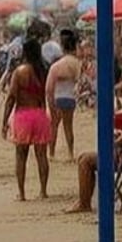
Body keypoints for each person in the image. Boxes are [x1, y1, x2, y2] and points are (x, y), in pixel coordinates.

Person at [0, 37, 51, 200]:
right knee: (41, 155)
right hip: (40, 114)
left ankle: (22, 194)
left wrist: (4, 122)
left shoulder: (20, 72)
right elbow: (46, 96)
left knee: (21, 156)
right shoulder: (43, 72)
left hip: (23, 116)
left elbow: (11, 99)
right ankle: (43, 191)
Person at [45, 29, 83, 159]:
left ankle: (51, 153)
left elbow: (49, 88)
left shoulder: (57, 66)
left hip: (58, 97)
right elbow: (80, 81)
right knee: (68, 127)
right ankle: (70, 153)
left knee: (54, 126)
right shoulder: (76, 64)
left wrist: (50, 104)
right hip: (70, 98)